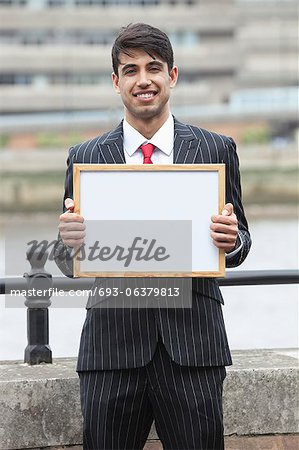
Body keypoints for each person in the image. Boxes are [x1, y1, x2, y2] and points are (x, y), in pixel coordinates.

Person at [54, 23, 251, 450]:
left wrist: (230, 239)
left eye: (153, 68)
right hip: (111, 351)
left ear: (172, 76)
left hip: (193, 349)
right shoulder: (86, 158)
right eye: (130, 70)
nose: (143, 80)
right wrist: (66, 243)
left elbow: (241, 243)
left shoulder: (215, 150)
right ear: (116, 82)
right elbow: (66, 260)